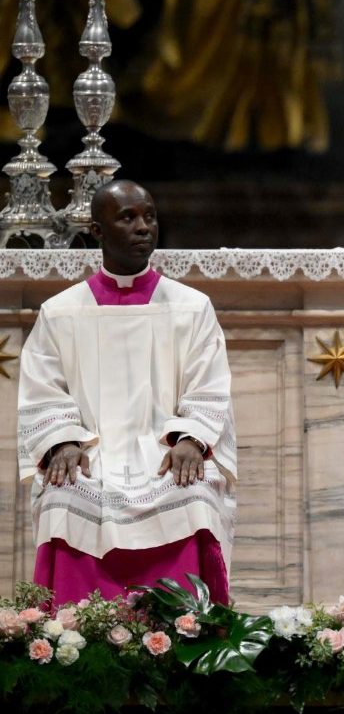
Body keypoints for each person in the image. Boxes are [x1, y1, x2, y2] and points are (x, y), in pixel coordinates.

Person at [18, 180, 237, 607]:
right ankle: (71, 630)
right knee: (63, 491)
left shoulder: (191, 307)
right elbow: (42, 389)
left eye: (150, 216)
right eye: (128, 217)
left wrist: (191, 439)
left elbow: (209, 384)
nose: (143, 227)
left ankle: (186, 628)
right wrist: (62, 441)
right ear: (98, 231)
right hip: (93, 452)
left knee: (192, 492)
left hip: (161, 453)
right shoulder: (61, 312)